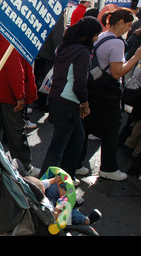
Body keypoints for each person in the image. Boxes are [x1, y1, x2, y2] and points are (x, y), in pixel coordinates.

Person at [78, 8, 141, 181]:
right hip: (107, 92)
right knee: (112, 129)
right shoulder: (117, 43)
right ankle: (108, 167)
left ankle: (77, 163)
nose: (129, 29)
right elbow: (117, 72)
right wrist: (136, 57)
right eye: (128, 25)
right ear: (120, 23)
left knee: (86, 126)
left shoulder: (103, 36)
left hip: (93, 88)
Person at [39, 17, 103, 181]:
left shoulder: (66, 47)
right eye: (96, 35)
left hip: (59, 99)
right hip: (67, 101)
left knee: (75, 139)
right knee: (59, 146)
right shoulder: (82, 52)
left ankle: (62, 180)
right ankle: (45, 184)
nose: (96, 39)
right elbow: (79, 83)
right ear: (89, 34)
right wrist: (85, 103)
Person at [0, 30, 39, 176]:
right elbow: (13, 64)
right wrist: (19, 94)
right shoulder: (11, 30)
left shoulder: (3, 27)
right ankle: (25, 167)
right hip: (8, 90)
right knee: (16, 131)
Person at [27, 175, 102, 226]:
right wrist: (57, 210)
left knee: (53, 187)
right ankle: (86, 220)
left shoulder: (37, 189)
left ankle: (70, 200)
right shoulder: (44, 207)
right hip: (53, 211)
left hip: (47, 198)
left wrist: (54, 180)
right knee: (70, 214)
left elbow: (44, 184)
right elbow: (53, 217)